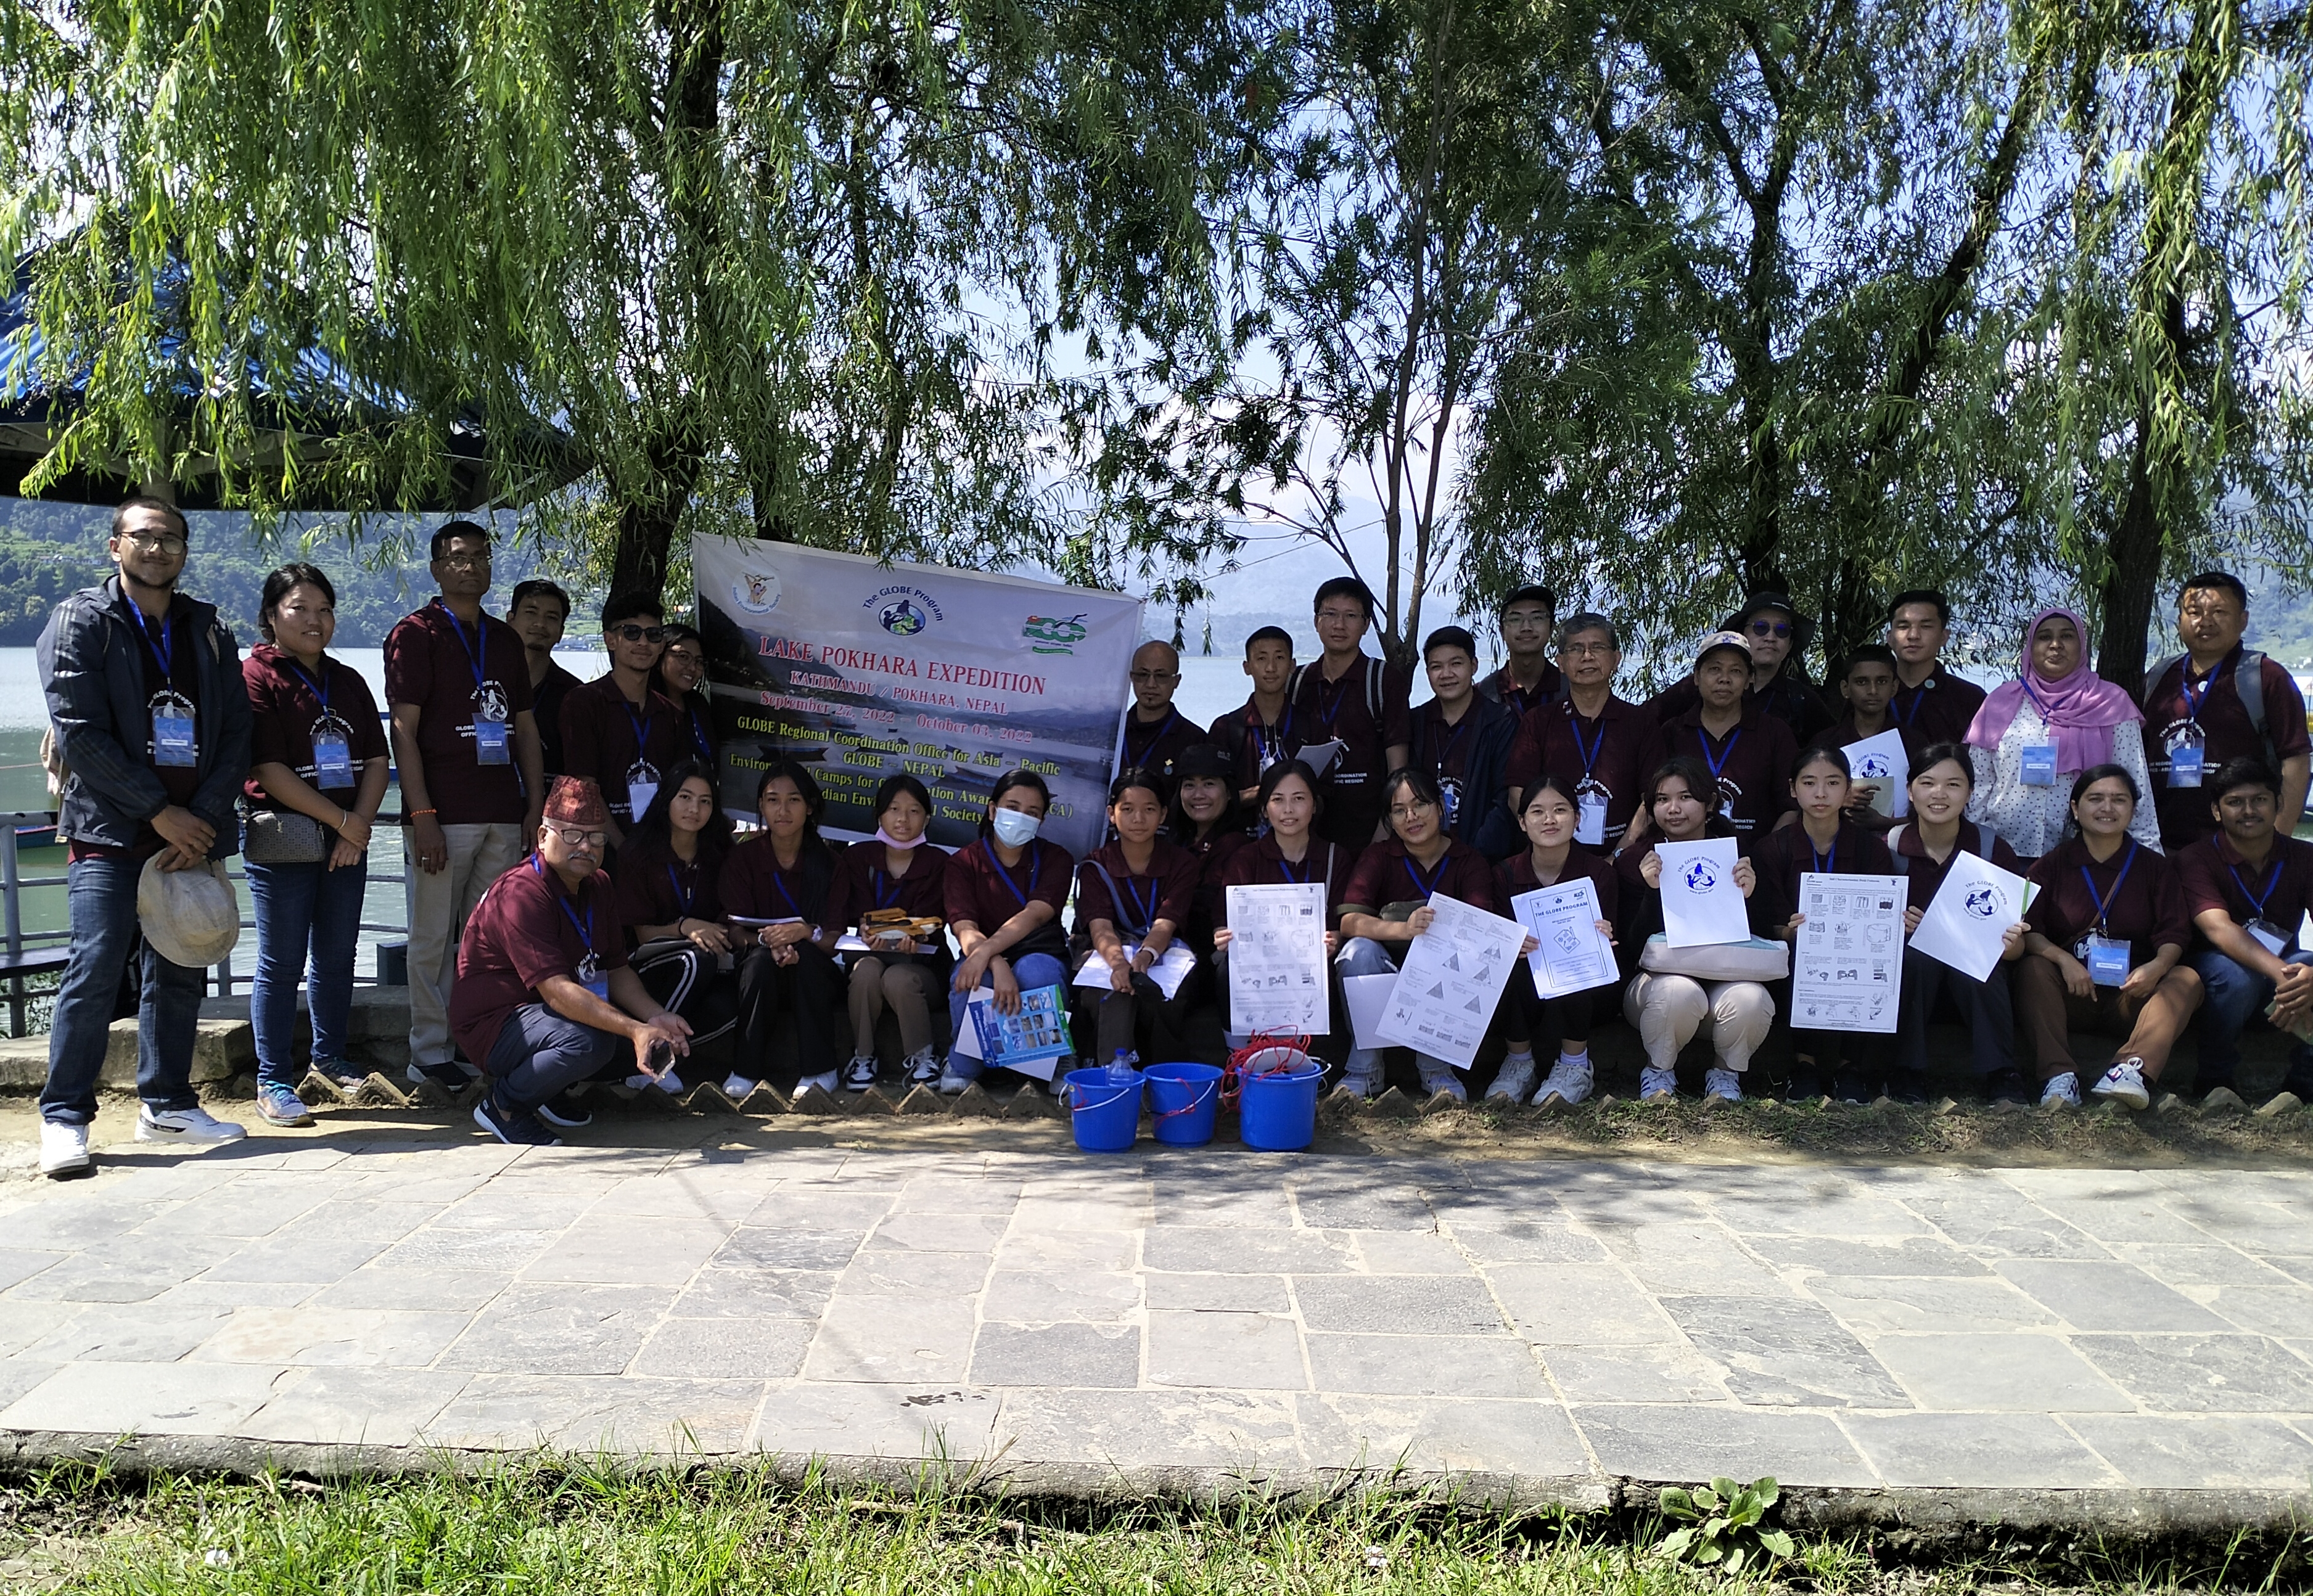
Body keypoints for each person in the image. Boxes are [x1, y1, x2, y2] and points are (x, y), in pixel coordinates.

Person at [35, 496, 252, 1176]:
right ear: (115, 545)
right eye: (143, 537)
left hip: (192, 833)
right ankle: (65, 1116)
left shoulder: (208, 628)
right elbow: (81, 733)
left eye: (171, 539)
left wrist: (205, 818)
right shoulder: (83, 621)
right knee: (95, 967)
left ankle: (167, 1104)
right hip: (110, 830)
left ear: (187, 550)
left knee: (181, 967)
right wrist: (160, 811)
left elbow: (237, 730)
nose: (157, 550)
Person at [448, 776, 693, 1145]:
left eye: (596, 838)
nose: (587, 847)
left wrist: (653, 1018)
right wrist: (633, 1029)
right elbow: (558, 993)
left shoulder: (600, 885)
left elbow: (616, 968)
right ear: (543, 836)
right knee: (591, 1042)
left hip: (545, 1014)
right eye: (573, 836)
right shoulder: (522, 892)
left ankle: (544, 1091)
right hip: (496, 1023)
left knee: (643, 1043)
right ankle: (504, 1106)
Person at [386, 520, 545, 1090]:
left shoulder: (504, 640)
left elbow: (525, 729)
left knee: (487, 939)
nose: (470, 566)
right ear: (436, 568)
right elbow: (403, 731)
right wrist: (421, 812)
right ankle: (428, 1052)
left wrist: (534, 805)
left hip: (503, 810)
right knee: (432, 937)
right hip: (442, 814)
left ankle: (479, 1042)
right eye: (457, 557)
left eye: (480, 556)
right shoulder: (415, 634)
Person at [241, 563, 391, 1124]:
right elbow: (268, 767)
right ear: (271, 615)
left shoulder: (347, 678)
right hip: (287, 838)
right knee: (280, 962)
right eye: (299, 608)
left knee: (335, 957)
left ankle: (329, 1059)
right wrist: (344, 822)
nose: (314, 619)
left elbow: (377, 759)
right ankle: (273, 1078)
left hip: (346, 837)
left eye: (324, 608)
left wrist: (358, 824)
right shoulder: (256, 676)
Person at [2015, 766, 2203, 1109]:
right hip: (2073, 993)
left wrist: (2157, 968)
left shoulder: (2156, 868)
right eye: (2096, 799)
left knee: (2186, 978)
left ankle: (2130, 1073)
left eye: (2119, 800)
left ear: (2133, 809)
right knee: (2032, 970)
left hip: (2132, 996)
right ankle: (2058, 1077)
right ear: (2075, 808)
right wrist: (2063, 960)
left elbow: (2175, 931)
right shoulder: (2048, 867)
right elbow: (2028, 930)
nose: (2107, 808)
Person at [1334, 767, 1502, 1099]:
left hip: (1442, 979)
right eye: (1399, 810)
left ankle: (1436, 1066)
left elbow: (1482, 925)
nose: (1411, 816)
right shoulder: (1378, 856)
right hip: (1388, 971)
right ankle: (1365, 1067)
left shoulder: (1468, 860)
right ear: (1389, 820)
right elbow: (1349, 922)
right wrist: (1403, 929)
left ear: (1441, 807)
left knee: (1454, 949)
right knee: (1357, 952)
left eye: (1420, 804)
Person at [1614, 757, 1772, 1103]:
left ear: (1710, 802)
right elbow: (1631, 947)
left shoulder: (1739, 855)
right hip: (1657, 989)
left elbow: (1762, 935)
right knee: (1678, 991)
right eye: (1662, 799)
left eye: (1685, 797)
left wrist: (1750, 895)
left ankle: (1725, 1076)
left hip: (1724, 983)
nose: (1673, 809)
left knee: (1753, 998)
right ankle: (1658, 1072)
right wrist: (1651, 892)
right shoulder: (1635, 861)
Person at [1748, 745, 1897, 1102]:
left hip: (1857, 951)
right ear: (1792, 789)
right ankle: (1805, 1064)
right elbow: (1767, 922)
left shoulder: (1871, 850)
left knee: (1874, 963)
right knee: (1801, 952)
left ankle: (1851, 1067)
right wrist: (1788, 931)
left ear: (1848, 790)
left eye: (1832, 783)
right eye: (1809, 782)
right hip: (1796, 947)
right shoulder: (1772, 849)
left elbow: (1884, 913)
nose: (1820, 793)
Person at [1888, 743, 2029, 1105]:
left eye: (1953, 784)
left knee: (1975, 963)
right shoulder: (1886, 848)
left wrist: (2009, 942)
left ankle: (2002, 1074)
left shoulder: (1992, 849)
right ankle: (1906, 1071)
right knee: (1916, 956)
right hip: (1912, 985)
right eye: (1927, 782)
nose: (1939, 794)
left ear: (1970, 792)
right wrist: (1895, 926)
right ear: (1909, 790)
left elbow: (2017, 952)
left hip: (1975, 988)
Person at [1965, 607, 2158, 862]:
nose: (2056, 645)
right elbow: (1979, 782)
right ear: (2030, 647)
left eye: (2067, 636)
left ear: (2082, 647)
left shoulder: (2110, 702)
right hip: (2004, 851)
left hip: (2087, 855)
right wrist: (1974, 849)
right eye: (2044, 637)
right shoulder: (2000, 702)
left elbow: (2135, 781)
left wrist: (2150, 856)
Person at [2176, 758, 2313, 1104]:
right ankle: (2215, 1080)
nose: (2249, 811)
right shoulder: (2196, 858)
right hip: (2218, 966)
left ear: (2279, 804)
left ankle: (2304, 1081)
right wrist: (2286, 976)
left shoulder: (2305, 856)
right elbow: (2218, 928)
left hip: (2280, 970)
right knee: (2236, 977)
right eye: (2235, 803)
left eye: (2260, 800)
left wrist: (2306, 974)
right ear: (2217, 811)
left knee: (2309, 967)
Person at [2142, 572, 2311, 850]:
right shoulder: (2158, 678)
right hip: (2161, 849)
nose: (2205, 622)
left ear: (2243, 620)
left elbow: (2296, 761)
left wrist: (2277, 841)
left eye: (2219, 612)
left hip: (2241, 849)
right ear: (2179, 621)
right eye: (2194, 612)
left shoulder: (2265, 676)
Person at [614, 759, 742, 1102]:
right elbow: (642, 935)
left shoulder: (720, 851)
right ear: (667, 799)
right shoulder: (638, 852)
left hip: (712, 957)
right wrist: (686, 927)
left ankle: (657, 1059)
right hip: (647, 967)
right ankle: (652, 1064)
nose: (694, 809)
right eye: (685, 797)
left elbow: (731, 916)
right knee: (695, 960)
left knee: (734, 995)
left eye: (705, 801)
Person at [942, 770, 1074, 1094]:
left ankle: (1057, 1060)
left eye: (1032, 813)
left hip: (1038, 952)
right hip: (980, 958)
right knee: (974, 980)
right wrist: (995, 961)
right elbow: (965, 927)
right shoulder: (963, 862)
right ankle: (966, 1062)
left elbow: (1034, 915)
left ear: (1042, 820)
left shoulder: (1057, 859)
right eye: (1012, 807)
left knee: (1036, 972)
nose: (1021, 818)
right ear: (992, 810)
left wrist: (988, 953)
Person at [1495, 776, 1620, 1107]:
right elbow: (1492, 937)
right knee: (1506, 956)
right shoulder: (1504, 874)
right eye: (1537, 812)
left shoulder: (1599, 874)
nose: (1549, 820)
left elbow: (1616, 943)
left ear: (1578, 819)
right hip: (1525, 989)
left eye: (1561, 810)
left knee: (1581, 954)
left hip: (1586, 995)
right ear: (1522, 822)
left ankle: (1575, 1066)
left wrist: (1605, 937)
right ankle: (1518, 1064)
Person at [721, 761, 844, 1098]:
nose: (783, 810)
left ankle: (821, 1070)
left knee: (804, 956)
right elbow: (734, 932)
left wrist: (805, 934)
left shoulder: (830, 863)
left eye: (794, 800)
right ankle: (745, 1071)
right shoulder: (743, 859)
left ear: (809, 806)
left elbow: (834, 939)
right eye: (773, 800)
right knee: (758, 962)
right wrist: (766, 941)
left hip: (816, 971)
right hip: (761, 966)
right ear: (761, 806)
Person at [828, 773, 952, 1092]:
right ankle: (863, 1057)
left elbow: (935, 920)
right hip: (870, 955)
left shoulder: (940, 862)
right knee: (867, 971)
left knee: (898, 977)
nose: (903, 819)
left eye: (914, 811)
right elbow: (849, 915)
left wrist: (918, 936)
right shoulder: (857, 858)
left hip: (922, 967)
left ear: (927, 818)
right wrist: (867, 930)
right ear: (879, 814)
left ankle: (923, 1057)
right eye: (895, 809)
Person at [1072, 769, 1201, 1068]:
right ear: (1111, 814)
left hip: (1160, 950)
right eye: (1127, 810)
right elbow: (1100, 926)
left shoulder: (1182, 863)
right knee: (1114, 989)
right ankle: (1111, 1070)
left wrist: (1145, 956)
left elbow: (1167, 921)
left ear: (1164, 814)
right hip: (1106, 952)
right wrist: (1119, 964)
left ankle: (1150, 1070)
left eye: (1149, 810)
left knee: (1162, 992)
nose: (1139, 819)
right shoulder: (1096, 865)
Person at [1504, 612, 1662, 855]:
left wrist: (1617, 856)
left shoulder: (1640, 722)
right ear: (1560, 662)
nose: (1587, 657)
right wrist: (1556, 854)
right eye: (1576, 649)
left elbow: (1651, 801)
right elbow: (1518, 796)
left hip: (1624, 860)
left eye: (1597, 647)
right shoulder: (1538, 721)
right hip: (1554, 862)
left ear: (1616, 659)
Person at [1214, 760, 1351, 1035]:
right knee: (1224, 968)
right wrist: (1223, 937)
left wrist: (1333, 941)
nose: (1288, 810)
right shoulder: (1245, 859)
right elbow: (1221, 922)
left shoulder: (1336, 857)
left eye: (1299, 799)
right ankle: (1240, 1056)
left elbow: (1340, 923)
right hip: (1258, 969)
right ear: (1264, 809)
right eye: (1278, 800)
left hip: (1315, 969)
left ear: (1315, 804)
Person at [1290, 578, 1413, 848]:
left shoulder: (1382, 680)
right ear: (1316, 621)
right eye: (1330, 614)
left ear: (1366, 624)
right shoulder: (1298, 682)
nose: (1339, 625)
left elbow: (1398, 768)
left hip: (1369, 833)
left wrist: (1385, 830)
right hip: (1307, 835)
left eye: (1350, 616)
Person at [560, 591, 685, 851]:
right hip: (597, 847)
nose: (643, 642)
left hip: (656, 847)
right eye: (631, 632)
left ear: (661, 645)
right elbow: (584, 785)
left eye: (653, 635)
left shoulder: (670, 713)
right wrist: (622, 846)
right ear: (610, 640)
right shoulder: (584, 702)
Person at [1658, 632, 1799, 845]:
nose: (1724, 679)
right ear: (1696, 677)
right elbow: (1656, 802)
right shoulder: (1673, 733)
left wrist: (1766, 855)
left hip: (1756, 862)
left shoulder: (1775, 733)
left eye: (1736, 671)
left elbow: (1791, 806)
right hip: (1684, 859)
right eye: (1715, 669)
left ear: (1749, 680)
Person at [1646, 592, 1836, 745]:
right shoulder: (1698, 687)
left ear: (1790, 644)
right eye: (1761, 627)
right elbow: (1643, 723)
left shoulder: (1802, 701)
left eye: (1782, 630)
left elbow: (1835, 753)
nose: (1770, 637)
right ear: (1741, 634)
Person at [1412, 626, 1519, 858]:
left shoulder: (1500, 722)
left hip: (1481, 858)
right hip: (1423, 857)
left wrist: (1473, 859)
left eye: (1456, 664)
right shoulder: (1416, 722)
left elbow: (1503, 801)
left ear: (1474, 666)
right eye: (1436, 667)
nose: (1446, 674)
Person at [1165, 741, 1252, 959]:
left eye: (1209, 784)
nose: (1198, 795)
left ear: (1230, 792)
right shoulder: (1174, 841)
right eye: (1189, 785)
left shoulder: (1237, 847)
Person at [1828, 645, 1920, 833]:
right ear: (1846, 688)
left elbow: (1928, 807)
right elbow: (1805, 802)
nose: (1872, 690)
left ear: (1894, 687)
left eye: (1882, 681)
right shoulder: (1825, 744)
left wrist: (1887, 823)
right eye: (1862, 682)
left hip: (1899, 848)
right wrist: (1839, 799)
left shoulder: (1914, 742)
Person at [1885, 589, 1987, 745]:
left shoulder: (1969, 699)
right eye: (1903, 626)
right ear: (1890, 637)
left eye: (1926, 626)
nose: (1913, 635)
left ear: (1944, 637)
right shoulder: (1869, 695)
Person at [1210, 626, 1297, 806]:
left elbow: (1324, 796)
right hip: (1241, 832)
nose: (1271, 668)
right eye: (1261, 658)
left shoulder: (1310, 726)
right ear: (1247, 667)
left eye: (1279, 658)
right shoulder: (1226, 729)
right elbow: (1212, 798)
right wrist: (1253, 796)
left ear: (1292, 666)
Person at [507, 579, 580, 777]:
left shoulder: (575, 696)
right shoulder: (485, 685)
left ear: (561, 632)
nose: (540, 624)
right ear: (510, 620)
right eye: (531, 613)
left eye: (552, 617)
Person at [1117, 640, 1206, 782]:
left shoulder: (1194, 740)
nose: (1151, 684)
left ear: (1176, 681)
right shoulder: (1112, 731)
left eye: (1161, 676)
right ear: (1132, 678)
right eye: (1143, 675)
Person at [1477, 584, 1562, 716]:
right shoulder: (1482, 695)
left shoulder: (1573, 691)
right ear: (1502, 631)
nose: (1526, 627)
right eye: (1515, 619)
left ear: (1552, 628)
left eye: (1537, 618)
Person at [655, 621, 720, 774]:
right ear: (660, 654)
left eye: (698, 662)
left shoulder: (698, 705)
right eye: (683, 657)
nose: (692, 668)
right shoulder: (648, 706)